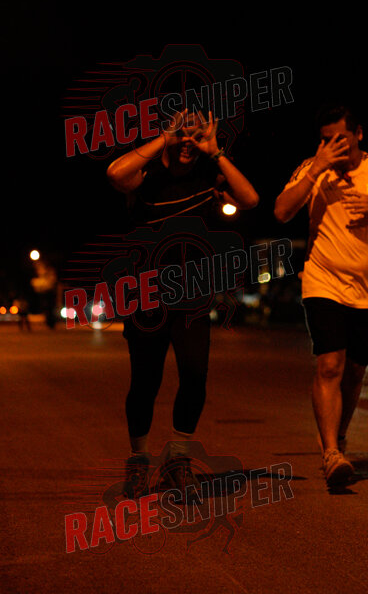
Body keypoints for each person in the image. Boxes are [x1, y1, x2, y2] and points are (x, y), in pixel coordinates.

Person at [106, 109, 259, 493]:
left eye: (196, 134)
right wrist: (166, 137)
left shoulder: (208, 175)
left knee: (194, 373)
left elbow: (250, 199)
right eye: (182, 134)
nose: (188, 141)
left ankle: (179, 459)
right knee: (145, 381)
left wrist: (215, 151)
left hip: (193, 295)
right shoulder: (145, 175)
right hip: (146, 295)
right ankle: (139, 460)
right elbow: (114, 174)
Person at [274, 104, 368, 488]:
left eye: (340, 138)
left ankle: (339, 437)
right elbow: (282, 211)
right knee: (329, 365)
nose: (333, 146)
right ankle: (330, 453)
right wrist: (316, 169)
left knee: (355, 373)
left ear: (359, 134)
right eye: (326, 140)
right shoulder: (312, 168)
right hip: (322, 281)